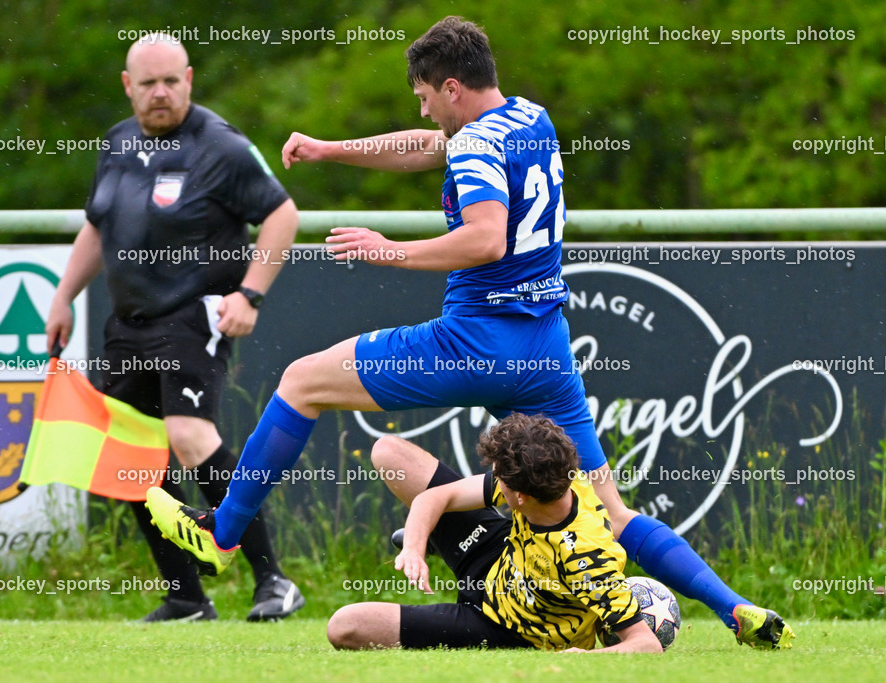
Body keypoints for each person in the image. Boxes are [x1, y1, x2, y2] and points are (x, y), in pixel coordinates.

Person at [146, 17, 793, 647]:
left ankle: (224, 532)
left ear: (451, 87)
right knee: (612, 513)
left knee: (300, 382)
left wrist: (389, 250)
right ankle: (736, 609)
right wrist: (333, 150)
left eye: (426, 98)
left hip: (477, 343)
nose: (425, 111)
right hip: (544, 348)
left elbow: (486, 238)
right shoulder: (527, 118)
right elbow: (431, 146)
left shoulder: (476, 143)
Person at [45, 32, 304, 622]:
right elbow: (98, 226)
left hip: (192, 313)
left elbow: (282, 214)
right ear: (127, 86)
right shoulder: (116, 143)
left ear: (188, 79)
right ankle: (186, 596)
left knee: (188, 435)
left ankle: (274, 580)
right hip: (128, 322)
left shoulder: (220, 146)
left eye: (170, 81)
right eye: (148, 83)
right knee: (133, 455)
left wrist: (250, 294)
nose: (160, 93)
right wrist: (63, 297)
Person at [328, 414, 662, 653]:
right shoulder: (555, 476)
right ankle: (431, 539)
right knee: (389, 451)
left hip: (506, 628)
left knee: (344, 627)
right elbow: (435, 497)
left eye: (498, 476)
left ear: (521, 497)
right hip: (498, 552)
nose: (493, 477)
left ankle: (436, 537)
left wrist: (586, 657)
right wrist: (413, 548)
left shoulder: (587, 560)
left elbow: (645, 644)